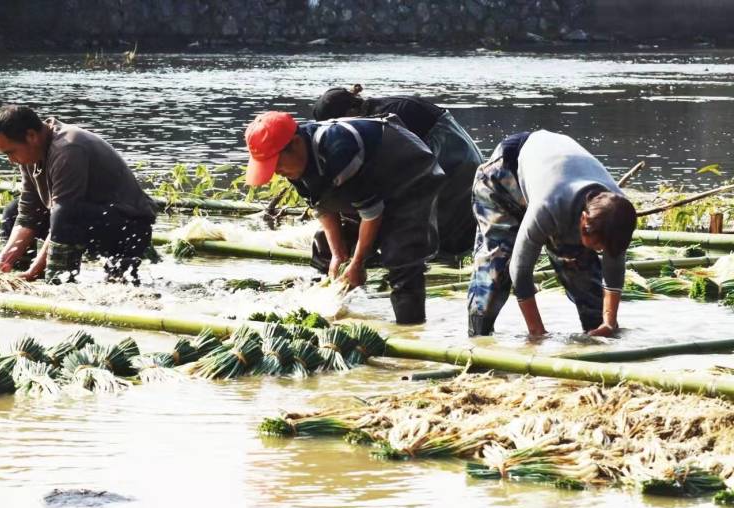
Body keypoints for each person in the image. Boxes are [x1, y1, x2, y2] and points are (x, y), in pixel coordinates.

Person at [243, 111, 448, 324]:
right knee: (325, 246)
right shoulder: (294, 166)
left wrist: (358, 262)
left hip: (410, 177)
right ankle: (336, 316)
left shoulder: (339, 149)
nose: (276, 172)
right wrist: (338, 256)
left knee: (401, 256)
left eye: (277, 164)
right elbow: (322, 207)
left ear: (295, 144)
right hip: (366, 189)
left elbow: (372, 213)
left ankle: (410, 329)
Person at [467, 130, 637, 338]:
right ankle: (477, 340)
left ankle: (595, 337)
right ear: (584, 221)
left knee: (584, 276)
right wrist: (537, 333)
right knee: (495, 270)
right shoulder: (549, 207)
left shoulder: (617, 214)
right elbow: (520, 272)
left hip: (555, 173)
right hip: (505, 174)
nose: (601, 252)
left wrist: (609, 323)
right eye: (598, 246)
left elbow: (613, 270)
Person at [0, 105, 157, 285]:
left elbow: (64, 214)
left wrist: (34, 272)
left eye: (10, 152)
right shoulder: (30, 154)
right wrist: (3, 263)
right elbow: (28, 216)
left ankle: (57, 282)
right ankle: (15, 275)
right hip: (81, 221)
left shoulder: (67, 147)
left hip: (126, 229)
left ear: (31, 136)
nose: (11, 160)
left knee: (64, 214)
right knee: (13, 211)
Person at [312, 84, 483, 257]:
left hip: (453, 164)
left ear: (349, 114)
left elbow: (397, 175)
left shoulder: (385, 119)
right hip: (463, 162)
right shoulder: (375, 110)